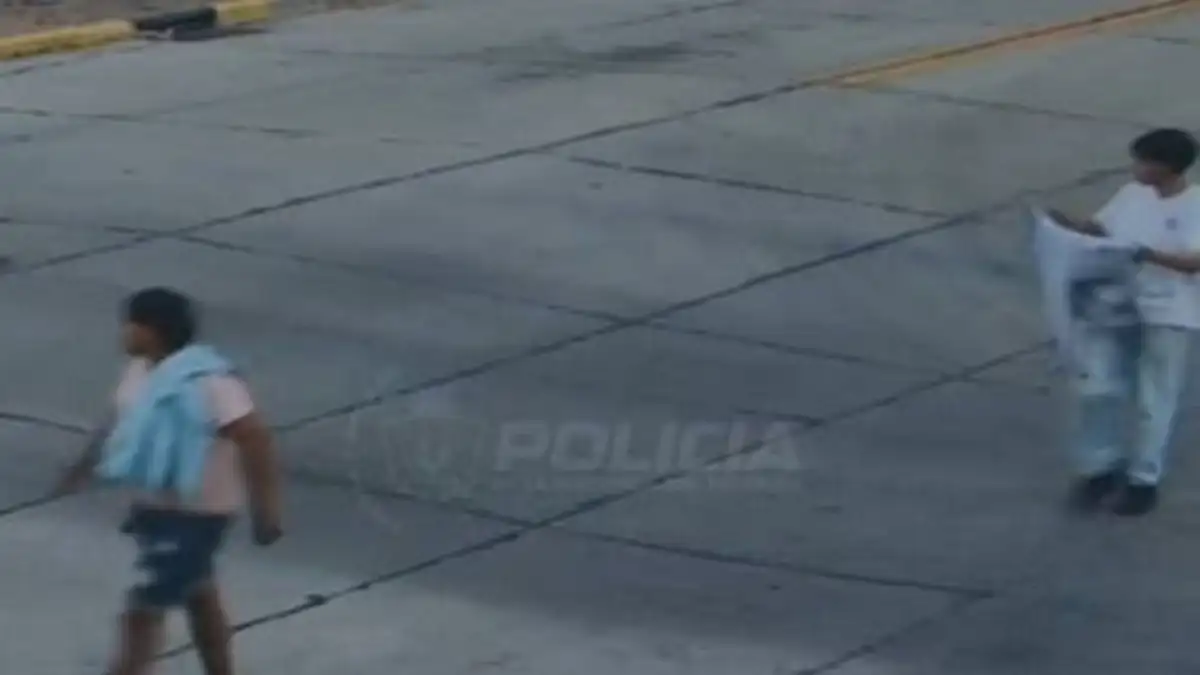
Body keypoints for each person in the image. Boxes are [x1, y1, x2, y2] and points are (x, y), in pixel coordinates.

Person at [51, 287, 283, 675]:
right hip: (155, 509)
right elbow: (118, 421)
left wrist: (267, 511)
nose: (124, 332)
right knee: (198, 592)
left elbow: (256, 440)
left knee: (144, 608)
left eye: (132, 324)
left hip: (199, 514)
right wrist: (83, 467)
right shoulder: (140, 372)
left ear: (154, 330)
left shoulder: (210, 383)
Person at [1048, 127, 1200, 516]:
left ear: (1169, 167)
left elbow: (1194, 261)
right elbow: (1102, 229)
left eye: (1145, 161)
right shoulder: (1132, 195)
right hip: (1116, 306)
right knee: (1099, 388)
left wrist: (1146, 254)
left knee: (1154, 397)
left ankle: (1143, 479)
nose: (1137, 167)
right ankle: (1099, 468)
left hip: (1169, 313)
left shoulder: (1195, 205)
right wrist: (1068, 227)